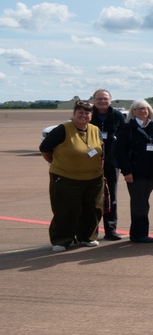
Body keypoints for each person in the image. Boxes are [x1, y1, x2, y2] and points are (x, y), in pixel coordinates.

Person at [39, 100, 105, 251]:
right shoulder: (62, 129)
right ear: (74, 114)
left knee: (93, 209)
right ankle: (61, 240)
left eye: (87, 113)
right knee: (66, 210)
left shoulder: (95, 129)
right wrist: (59, 164)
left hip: (94, 179)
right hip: (66, 178)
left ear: (91, 115)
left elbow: (101, 151)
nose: (84, 115)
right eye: (80, 112)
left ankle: (88, 237)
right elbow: (45, 149)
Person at [115, 99, 153, 243]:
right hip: (135, 171)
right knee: (139, 202)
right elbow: (119, 151)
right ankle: (139, 234)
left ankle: (138, 233)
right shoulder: (127, 127)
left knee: (144, 200)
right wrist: (126, 171)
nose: (142, 111)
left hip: (151, 170)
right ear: (133, 112)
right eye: (138, 109)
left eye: (145, 109)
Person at [91, 89, 125, 240]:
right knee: (91, 197)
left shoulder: (117, 116)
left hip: (112, 162)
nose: (102, 101)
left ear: (110, 100)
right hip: (91, 162)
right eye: (99, 99)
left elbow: (124, 138)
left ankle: (111, 229)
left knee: (111, 195)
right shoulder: (88, 114)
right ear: (93, 100)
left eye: (105, 99)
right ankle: (90, 231)